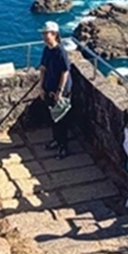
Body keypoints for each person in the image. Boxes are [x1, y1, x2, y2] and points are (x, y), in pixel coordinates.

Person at [40, 21, 73, 158]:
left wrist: (60, 91)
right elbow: (43, 68)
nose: (43, 36)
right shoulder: (47, 49)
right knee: (53, 117)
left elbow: (65, 72)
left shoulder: (60, 51)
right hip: (49, 88)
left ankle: (63, 146)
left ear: (54, 34)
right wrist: (41, 87)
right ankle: (56, 140)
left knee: (61, 119)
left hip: (61, 91)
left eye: (46, 33)